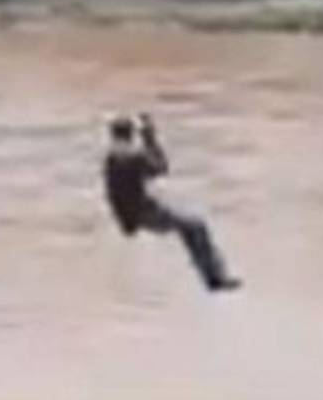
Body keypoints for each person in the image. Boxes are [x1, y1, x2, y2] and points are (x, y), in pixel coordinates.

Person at [103, 113, 240, 292]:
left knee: (188, 227)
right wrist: (150, 137)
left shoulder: (111, 157)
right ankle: (214, 278)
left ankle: (211, 275)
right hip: (145, 212)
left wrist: (125, 223)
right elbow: (161, 167)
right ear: (130, 134)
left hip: (133, 213)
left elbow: (113, 194)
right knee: (196, 226)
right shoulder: (133, 156)